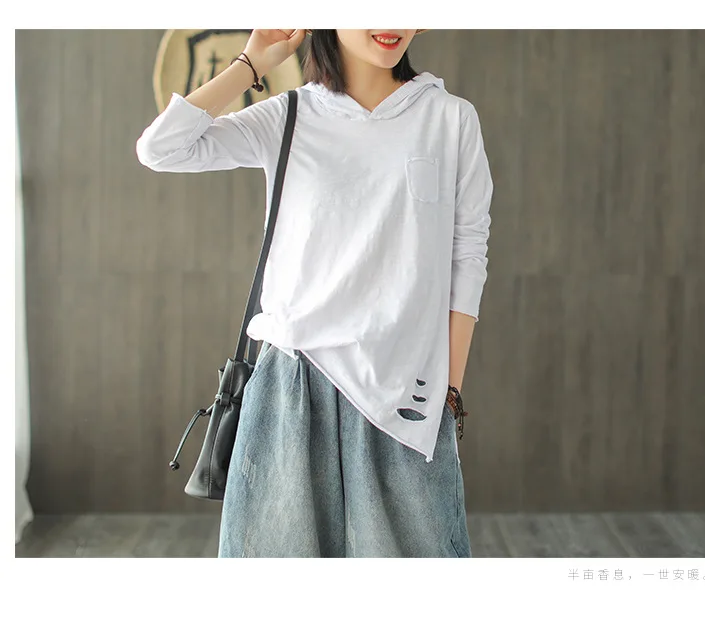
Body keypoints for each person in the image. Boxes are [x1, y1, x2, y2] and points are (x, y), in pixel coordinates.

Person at [136, 29, 493, 558]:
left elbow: (468, 255)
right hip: (291, 388)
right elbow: (161, 148)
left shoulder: (450, 119)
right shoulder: (290, 115)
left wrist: (448, 392)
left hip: (405, 398)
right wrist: (252, 62)